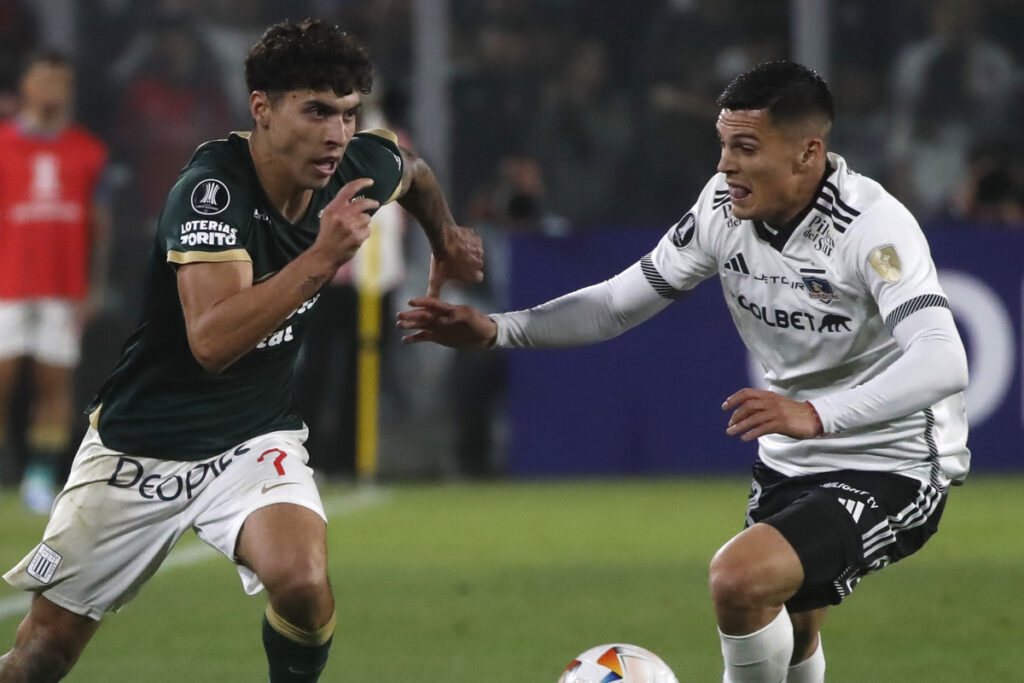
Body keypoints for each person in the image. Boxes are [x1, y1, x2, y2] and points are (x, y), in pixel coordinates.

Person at [398, 60, 969, 682]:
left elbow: (942, 357)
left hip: (894, 461)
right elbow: (620, 302)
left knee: (739, 579)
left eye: (745, 148)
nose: (725, 165)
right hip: (793, 457)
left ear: (808, 152)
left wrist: (815, 413)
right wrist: (498, 329)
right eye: (723, 145)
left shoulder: (873, 229)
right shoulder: (722, 210)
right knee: (795, 626)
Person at [0, 18, 482, 683]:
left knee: (304, 582)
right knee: (40, 655)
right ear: (263, 107)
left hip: (252, 437)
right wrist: (320, 258)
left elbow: (415, 170)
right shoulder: (211, 191)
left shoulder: (356, 164)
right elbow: (212, 342)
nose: (337, 134)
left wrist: (447, 237)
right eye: (316, 111)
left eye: (346, 114)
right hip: (144, 446)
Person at [0, 50, 111, 513]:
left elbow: (100, 222)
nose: (53, 91)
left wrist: (95, 284)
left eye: (61, 82)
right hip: (7, 283)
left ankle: (40, 475)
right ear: (25, 86)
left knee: (55, 386)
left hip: (63, 287)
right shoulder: (3, 145)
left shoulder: (88, 150)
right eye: (44, 80)